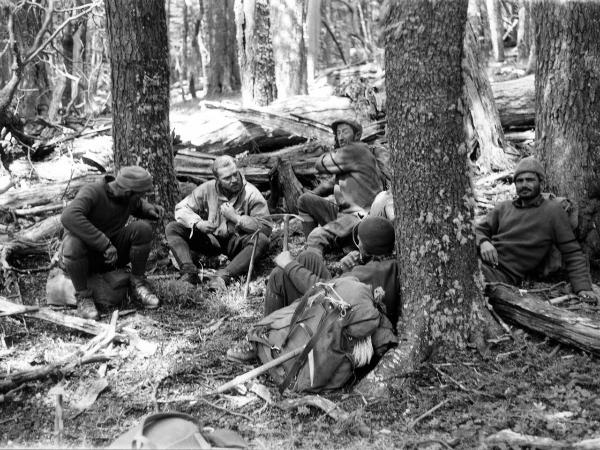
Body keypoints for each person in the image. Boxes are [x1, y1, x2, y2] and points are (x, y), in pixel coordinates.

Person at [226, 216, 400, 362]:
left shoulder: (366, 273)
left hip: (336, 316)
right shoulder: (386, 264)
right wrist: (347, 268)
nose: (357, 245)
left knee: (279, 275)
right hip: (345, 301)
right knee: (309, 257)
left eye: (359, 242)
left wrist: (290, 265)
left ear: (367, 246)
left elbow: (325, 292)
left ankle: (261, 341)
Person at [476, 156, 599, 302]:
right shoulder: (504, 207)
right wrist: (484, 241)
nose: (524, 184)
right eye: (520, 181)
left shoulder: (552, 211)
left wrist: (583, 289)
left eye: (530, 180)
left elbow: (572, 253)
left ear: (541, 182)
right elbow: (477, 230)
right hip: (479, 259)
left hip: (501, 274)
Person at [60, 166, 163, 320]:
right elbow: (68, 216)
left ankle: (138, 284)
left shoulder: (126, 196)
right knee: (72, 244)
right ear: (129, 192)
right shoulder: (93, 192)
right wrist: (104, 244)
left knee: (142, 229)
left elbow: (138, 205)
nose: (141, 198)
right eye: (140, 194)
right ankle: (83, 298)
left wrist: (150, 209)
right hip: (85, 258)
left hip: (110, 257)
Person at [166, 155, 271, 290]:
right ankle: (189, 273)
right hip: (211, 241)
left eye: (235, 174)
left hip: (237, 243)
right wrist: (198, 223)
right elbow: (181, 208)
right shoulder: (208, 188)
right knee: (173, 228)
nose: (234, 180)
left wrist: (237, 219)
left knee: (261, 240)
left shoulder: (251, 193)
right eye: (227, 178)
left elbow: (266, 227)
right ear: (218, 179)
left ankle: (223, 277)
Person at [297, 119, 383, 255]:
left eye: (345, 132)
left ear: (356, 135)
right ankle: (316, 248)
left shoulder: (356, 150)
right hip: (343, 215)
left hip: (358, 218)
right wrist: (312, 195)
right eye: (338, 133)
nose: (341, 137)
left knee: (316, 237)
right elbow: (330, 184)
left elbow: (320, 164)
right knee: (304, 200)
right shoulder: (351, 158)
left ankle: (312, 258)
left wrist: (331, 152)